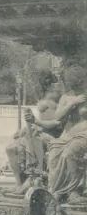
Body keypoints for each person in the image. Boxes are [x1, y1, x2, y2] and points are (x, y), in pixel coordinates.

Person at [25, 65, 87, 204]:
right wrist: (72, 103)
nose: (71, 83)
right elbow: (58, 117)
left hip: (84, 134)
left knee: (69, 154)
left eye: (75, 80)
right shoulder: (66, 97)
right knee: (53, 153)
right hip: (67, 135)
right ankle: (56, 191)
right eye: (70, 80)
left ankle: (73, 192)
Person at [5, 70, 63, 193]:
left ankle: (31, 179)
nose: (51, 91)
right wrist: (28, 128)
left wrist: (36, 123)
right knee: (11, 148)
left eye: (53, 89)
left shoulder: (62, 103)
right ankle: (19, 182)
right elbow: (41, 121)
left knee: (34, 140)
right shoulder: (47, 101)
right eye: (48, 90)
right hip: (42, 132)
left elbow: (57, 125)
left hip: (56, 137)